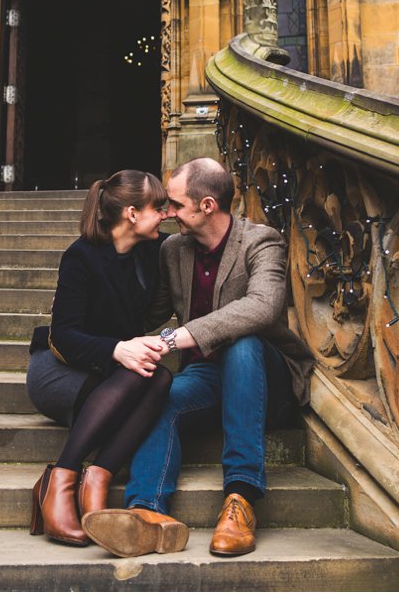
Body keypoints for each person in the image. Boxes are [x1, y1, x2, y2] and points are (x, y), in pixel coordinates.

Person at [81, 156, 314, 559]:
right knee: (162, 393)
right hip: (208, 375)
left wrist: (179, 337)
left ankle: (240, 500)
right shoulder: (174, 250)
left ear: (207, 206)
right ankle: (147, 514)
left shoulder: (261, 241)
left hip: (266, 379)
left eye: (174, 204)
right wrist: (84, 306)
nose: (167, 213)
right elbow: (146, 314)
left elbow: (263, 307)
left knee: (244, 343)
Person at [26, 169, 174, 546]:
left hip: (115, 374)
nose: (167, 214)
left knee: (160, 377)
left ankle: (100, 476)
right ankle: (60, 479)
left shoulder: (153, 251)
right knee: (140, 373)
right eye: (159, 207)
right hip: (60, 370)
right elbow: (64, 334)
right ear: (131, 213)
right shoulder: (82, 256)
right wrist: (117, 349)